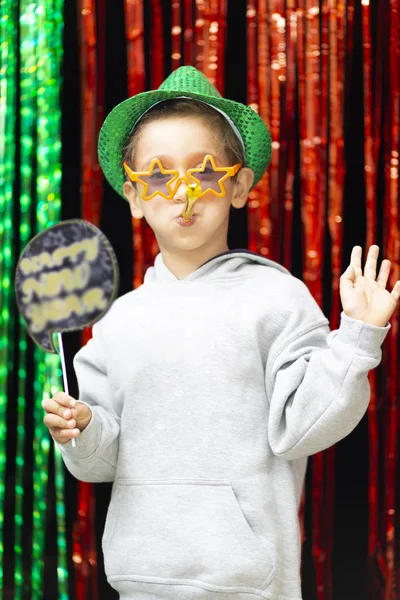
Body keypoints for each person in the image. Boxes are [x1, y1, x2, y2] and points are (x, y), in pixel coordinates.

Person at [43, 66, 400, 600]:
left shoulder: (276, 300)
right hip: (142, 580)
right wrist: (82, 426)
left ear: (237, 185)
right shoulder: (120, 322)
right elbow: (98, 463)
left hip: (248, 586)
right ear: (135, 196)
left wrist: (357, 337)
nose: (183, 191)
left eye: (204, 170)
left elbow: (303, 429)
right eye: (159, 175)